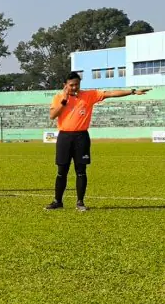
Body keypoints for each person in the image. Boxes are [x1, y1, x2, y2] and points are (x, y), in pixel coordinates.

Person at [45, 72, 150, 212]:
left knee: (81, 171)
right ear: (65, 85)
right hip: (64, 137)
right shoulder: (58, 97)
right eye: (71, 85)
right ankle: (57, 201)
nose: (74, 87)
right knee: (61, 171)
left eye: (77, 84)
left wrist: (132, 91)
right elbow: (52, 116)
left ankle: (80, 202)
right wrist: (64, 101)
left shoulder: (89, 95)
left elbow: (111, 93)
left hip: (81, 137)